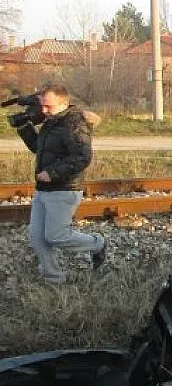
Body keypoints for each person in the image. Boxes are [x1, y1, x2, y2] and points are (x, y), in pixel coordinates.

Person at [15, 84, 106, 283]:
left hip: (64, 188)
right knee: (37, 238)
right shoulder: (53, 121)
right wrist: (23, 127)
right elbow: (39, 148)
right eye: (42, 106)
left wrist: (53, 173)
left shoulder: (73, 124)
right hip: (44, 189)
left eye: (48, 106)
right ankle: (53, 277)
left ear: (63, 103)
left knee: (56, 236)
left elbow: (82, 156)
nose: (43, 111)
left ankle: (98, 244)